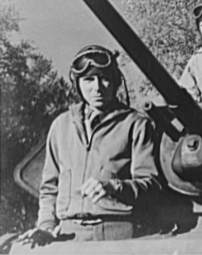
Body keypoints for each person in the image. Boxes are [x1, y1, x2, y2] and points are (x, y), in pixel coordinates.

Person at [19, 45, 162, 245]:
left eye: (104, 78)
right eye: (88, 80)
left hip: (118, 235)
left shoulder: (136, 124)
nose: (97, 87)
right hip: (67, 235)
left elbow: (151, 185)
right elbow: (50, 187)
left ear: (115, 82)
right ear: (77, 84)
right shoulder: (61, 125)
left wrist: (114, 187)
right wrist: (46, 226)